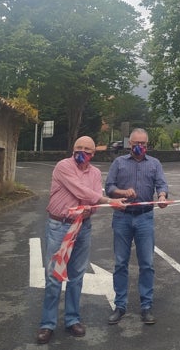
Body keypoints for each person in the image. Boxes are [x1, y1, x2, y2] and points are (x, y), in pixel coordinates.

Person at [36, 136, 126, 345]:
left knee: (77, 275)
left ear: (93, 154)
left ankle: (72, 319)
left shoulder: (94, 173)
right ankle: (47, 324)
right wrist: (107, 200)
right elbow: (82, 192)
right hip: (60, 225)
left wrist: (95, 204)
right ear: (72, 149)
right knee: (54, 276)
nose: (82, 152)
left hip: (83, 226)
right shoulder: (62, 167)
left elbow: (92, 201)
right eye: (78, 148)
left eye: (87, 149)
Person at [105, 128, 169, 325]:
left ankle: (146, 306)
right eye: (136, 144)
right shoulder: (119, 163)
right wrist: (123, 192)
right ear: (129, 144)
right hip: (122, 217)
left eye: (143, 144)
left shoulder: (155, 164)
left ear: (147, 145)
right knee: (120, 263)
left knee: (147, 264)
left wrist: (162, 196)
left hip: (145, 218)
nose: (139, 147)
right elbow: (109, 187)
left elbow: (162, 185)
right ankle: (120, 306)